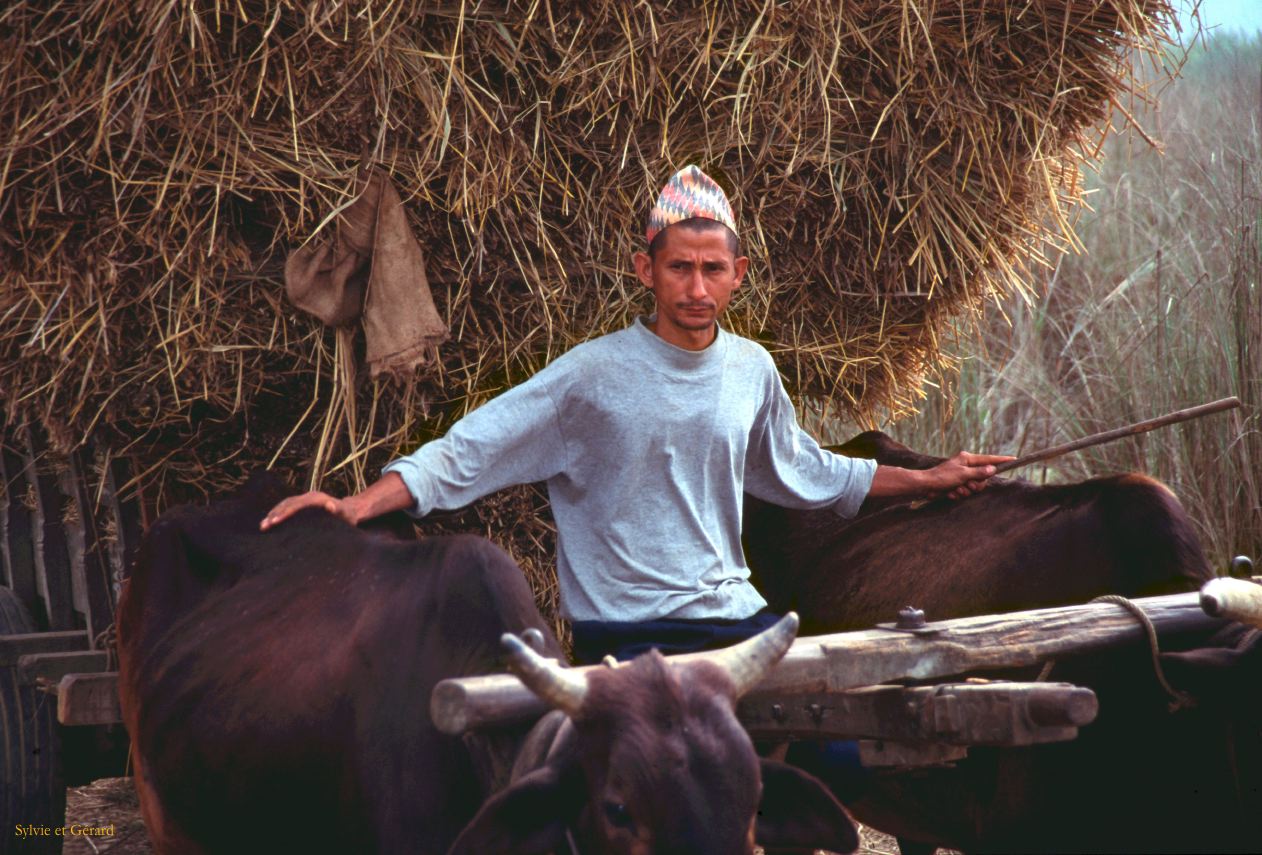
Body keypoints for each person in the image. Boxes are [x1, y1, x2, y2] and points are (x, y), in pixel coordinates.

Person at [261, 164, 1011, 665]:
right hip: (630, 636)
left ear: (739, 275)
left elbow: (805, 469)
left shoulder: (751, 369)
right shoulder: (591, 377)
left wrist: (930, 479)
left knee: (838, 754)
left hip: (737, 620)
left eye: (712, 269)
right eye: (679, 267)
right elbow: (471, 449)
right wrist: (356, 505)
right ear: (645, 269)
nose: (696, 287)